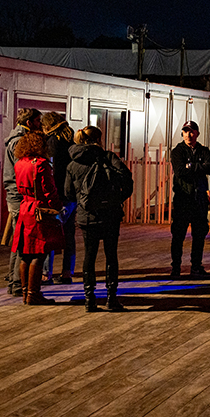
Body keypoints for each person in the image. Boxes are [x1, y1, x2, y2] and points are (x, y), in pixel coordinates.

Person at [65, 126, 133, 312]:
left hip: (87, 215)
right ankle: (111, 298)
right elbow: (128, 180)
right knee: (111, 255)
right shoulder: (108, 157)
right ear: (98, 139)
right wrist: (118, 199)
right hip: (110, 214)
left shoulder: (73, 164)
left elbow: (68, 193)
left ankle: (90, 299)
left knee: (89, 255)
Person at [11, 130, 63, 305]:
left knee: (25, 253)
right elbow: (49, 190)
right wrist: (57, 207)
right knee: (39, 253)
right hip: (39, 209)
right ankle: (34, 294)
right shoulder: (41, 164)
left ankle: (26, 293)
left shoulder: (19, 163)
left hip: (25, 207)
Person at [3, 108, 42, 296]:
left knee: (19, 241)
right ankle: (18, 283)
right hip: (20, 197)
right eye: (38, 121)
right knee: (23, 243)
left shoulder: (14, 139)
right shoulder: (20, 142)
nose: (40, 125)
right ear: (29, 122)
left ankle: (15, 282)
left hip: (16, 195)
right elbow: (24, 171)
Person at [170, 120, 210, 278]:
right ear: (182, 133)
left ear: (197, 133)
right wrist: (199, 167)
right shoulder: (177, 151)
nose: (188, 134)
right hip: (183, 199)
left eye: (191, 131)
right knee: (178, 234)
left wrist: (191, 166)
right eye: (186, 131)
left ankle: (196, 266)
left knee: (199, 234)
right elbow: (180, 171)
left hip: (199, 199)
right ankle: (176, 267)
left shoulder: (203, 150)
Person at [41, 112, 76, 285]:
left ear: (48, 126)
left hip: (58, 194)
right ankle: (67, 272)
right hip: (72, 194)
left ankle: (46, 273)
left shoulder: (52, 142)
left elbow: (51, 170)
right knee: (69, 234)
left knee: (51, 234)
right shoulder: (71, 141)